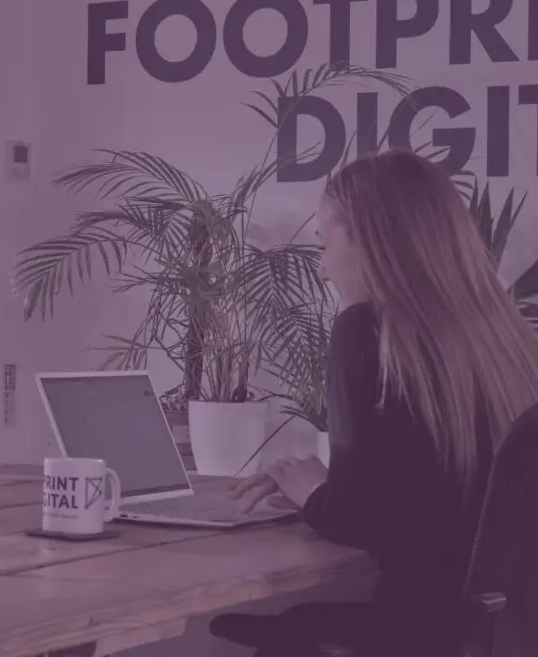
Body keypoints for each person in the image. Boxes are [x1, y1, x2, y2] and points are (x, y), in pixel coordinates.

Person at [214, 151, 538, 656]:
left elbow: (367, 521)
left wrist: (317, 495)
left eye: (323, 242)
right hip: (501, 636)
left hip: (421, 631)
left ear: (364, 237)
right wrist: (327, 482)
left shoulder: (367, 331)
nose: (322, 267)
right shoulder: (506, 339)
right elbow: (436, 497)